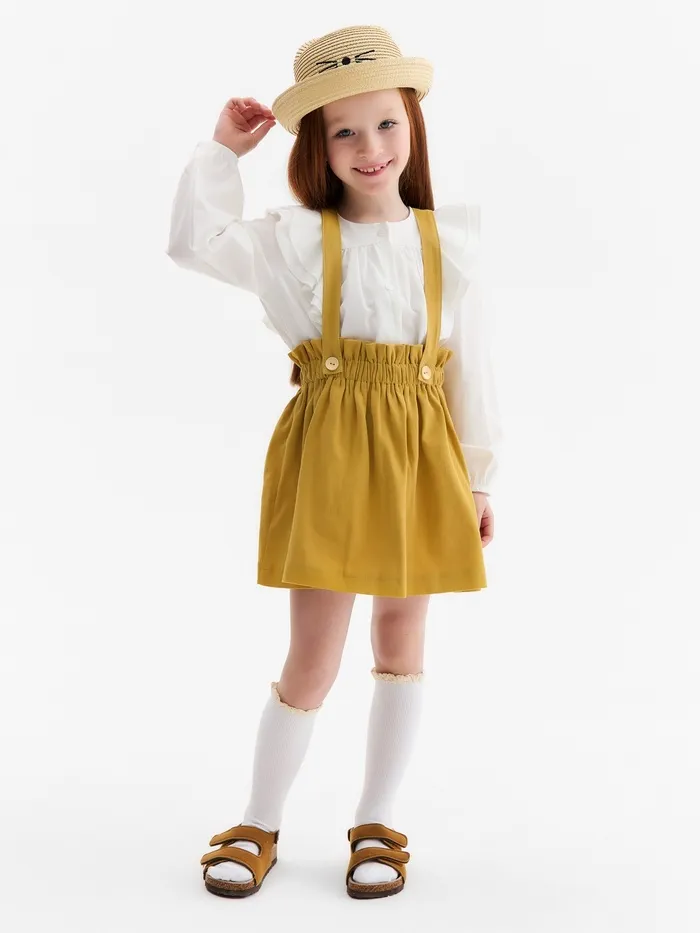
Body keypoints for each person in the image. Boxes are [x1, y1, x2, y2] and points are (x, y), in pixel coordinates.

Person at [166, 24, 503, 900]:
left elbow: (470, 368)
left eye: (385, 123)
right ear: (317, 146)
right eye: (344, 131)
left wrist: (478, 478)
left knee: (401, 640)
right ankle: (259, 818)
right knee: (312, 654)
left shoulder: (449, 242)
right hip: (330, 455)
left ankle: (377, 820)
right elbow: (195, 244)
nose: (369, 147)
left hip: (422, 456)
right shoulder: (293, 241)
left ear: (412, 124)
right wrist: (221, 153)